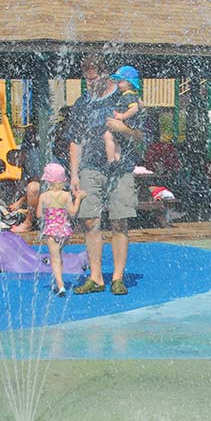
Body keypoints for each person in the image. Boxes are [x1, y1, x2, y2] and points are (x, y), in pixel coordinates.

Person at [62, 55, 144, 296]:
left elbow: (141, 136)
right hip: (90, 167)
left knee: (119, 221)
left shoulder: (125, 98)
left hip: (120, 168)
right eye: (86, 77)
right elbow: (75, 141)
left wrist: (123, 129)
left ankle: (117, 277)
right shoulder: (82, 103)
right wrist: (74, 175)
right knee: (90, 220)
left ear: (107, 74)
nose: (89, 82)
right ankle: (96, 277)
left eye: (93, 76)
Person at [36, 163, 84, 296]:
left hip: (51, 231)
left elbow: (39, 215)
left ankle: (61, 285)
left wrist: (48, 213)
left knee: (54, 257)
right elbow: (73, 212)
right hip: (64, 230)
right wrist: (78, 198)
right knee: (59, 255)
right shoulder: (66, 195)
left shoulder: (44, 196)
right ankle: (59, 281)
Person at [104, 66, 142, 165]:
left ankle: (111, 160)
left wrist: (122, 116)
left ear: (129, 83)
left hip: (126, 123)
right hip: (126, 124)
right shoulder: (131, 94)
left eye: (120, 82)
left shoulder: (128, 95)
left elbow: (134, 108)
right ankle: (117, 159)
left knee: (108, 136)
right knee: (116, 141)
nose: (118, 84)